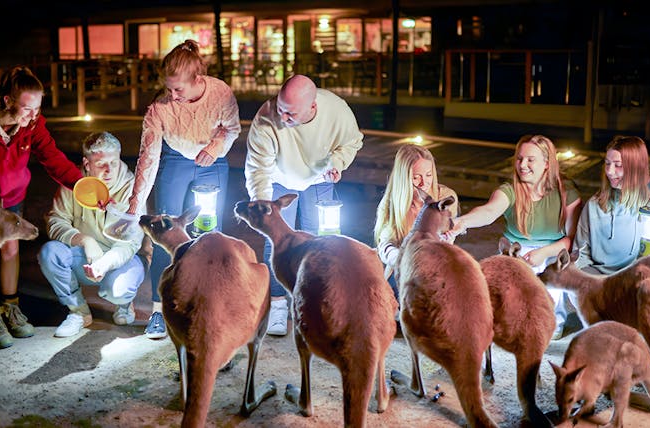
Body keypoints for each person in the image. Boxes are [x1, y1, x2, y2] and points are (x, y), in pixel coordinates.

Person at [126, 39, 241, 340]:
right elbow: (148, 156)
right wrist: (136, 201)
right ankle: (158, 310)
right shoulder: (160, 108)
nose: (173, 96)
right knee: (165, 233)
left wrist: (216, 146)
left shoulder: (220, 93)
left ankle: (207, 303)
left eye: (179, 90)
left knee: (208, 232)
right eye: (169, 89)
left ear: (197, 80)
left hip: (212, 161)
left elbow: (232, 127)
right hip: (175, 159)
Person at [244, 74, 363, 336]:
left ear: (313, 108)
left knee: (321, 240)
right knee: (276, 240)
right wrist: (263, 204)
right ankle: (276, 304)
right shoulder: (266, 118)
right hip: (279, 177)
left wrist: (337, 163)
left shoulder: (336, 110)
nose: (283, 118)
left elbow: (353, 141)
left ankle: (320, 299)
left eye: (291, 114)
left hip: (319, 176)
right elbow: (257, 167)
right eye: (281, 109)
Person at [451, 134, 582, 340]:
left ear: (547, 164)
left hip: (552, 252)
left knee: (551, 279)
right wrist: (462, 222)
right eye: (520, 159)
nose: (523, 165)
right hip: (517, 251)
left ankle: (554, 319)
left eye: (531, 160)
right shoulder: (510, 189)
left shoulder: (567, 193)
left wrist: (543, 252)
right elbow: (489, 211)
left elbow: (572, 238)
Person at [0, 66, 83, 349]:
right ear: (8, 101)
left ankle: (10, 307)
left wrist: (81, 184)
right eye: (26, 108)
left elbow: (52, 157)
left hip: (12, 195)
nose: (33, 115)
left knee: (11, 248)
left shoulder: (33, 125)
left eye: (37, 108)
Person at [38, 132, 147, 337]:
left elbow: (130, 242)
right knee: (50, 253)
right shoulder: (73, 183)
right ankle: (79, 312)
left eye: (114, 163)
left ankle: (123, 304)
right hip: (83, 256)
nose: (109, 170)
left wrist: (104, 263)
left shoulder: (131, 189)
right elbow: (55, 220)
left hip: (121, 259)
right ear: (87, 164)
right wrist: (84, 240)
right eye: (100, 164)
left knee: (116, 290)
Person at [573, 135, 650, 274]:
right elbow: (580, 255)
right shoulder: (595, 205)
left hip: (643, 282)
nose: (609, 171)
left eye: (618, 165)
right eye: (607, 163)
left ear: (636, 167)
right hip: (602, 284)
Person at [373, 144, 458, 301]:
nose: (423, 183)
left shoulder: (444, 196)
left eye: (428, 175)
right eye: (416, 177)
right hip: (404, 271)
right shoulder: (391, 203)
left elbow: (448, 240)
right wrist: (403, 260)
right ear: (403, 178)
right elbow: (384, 244)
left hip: (437, 267)